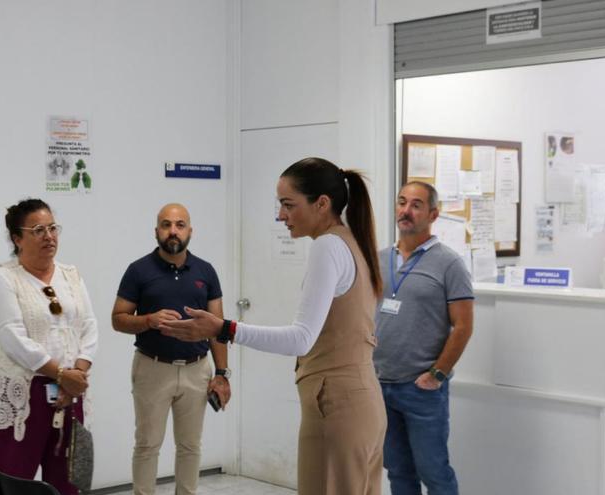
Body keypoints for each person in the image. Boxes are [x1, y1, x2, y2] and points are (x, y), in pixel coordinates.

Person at [161, 158, 386, 495]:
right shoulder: (351, 242)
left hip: (339, 404)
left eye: (288, 204)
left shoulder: (328, 246)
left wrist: (224, 329)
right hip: (360, 400)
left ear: (322, 203)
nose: (280, 215)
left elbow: (301, 339)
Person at [0, 198, 98, 495]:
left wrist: (77, 375)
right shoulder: (4, 278)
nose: (49, 236)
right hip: (25, 394)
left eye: (53, 228)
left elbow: (89, 326)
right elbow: (12, 337)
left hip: (72, 389)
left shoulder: (70, 275)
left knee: (68, 480)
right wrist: (62, 375)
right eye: (38, 230)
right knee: (15, 480)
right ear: (17, 238)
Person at [112, 203, 230, 495]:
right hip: (152, 368)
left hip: (197, 369)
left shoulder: (206, 271)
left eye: (179, 224)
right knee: (147, 445)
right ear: (157, 231)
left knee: (190, 446)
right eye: (166, 225)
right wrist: (148, 320)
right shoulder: (138, 270)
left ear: (190, 231)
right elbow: (118, 319)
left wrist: (222, 373)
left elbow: (219, 328)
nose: (173, 231)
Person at [374, 181, 474, 495]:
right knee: (398, 472)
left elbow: (463, 327)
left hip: (421, 390)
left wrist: (437, 373)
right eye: (402, 202)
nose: (406, 211)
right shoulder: (378, 258)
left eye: (416, 205)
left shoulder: (449, 263)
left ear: (433, 213)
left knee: (435, 473)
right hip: (380, 384)